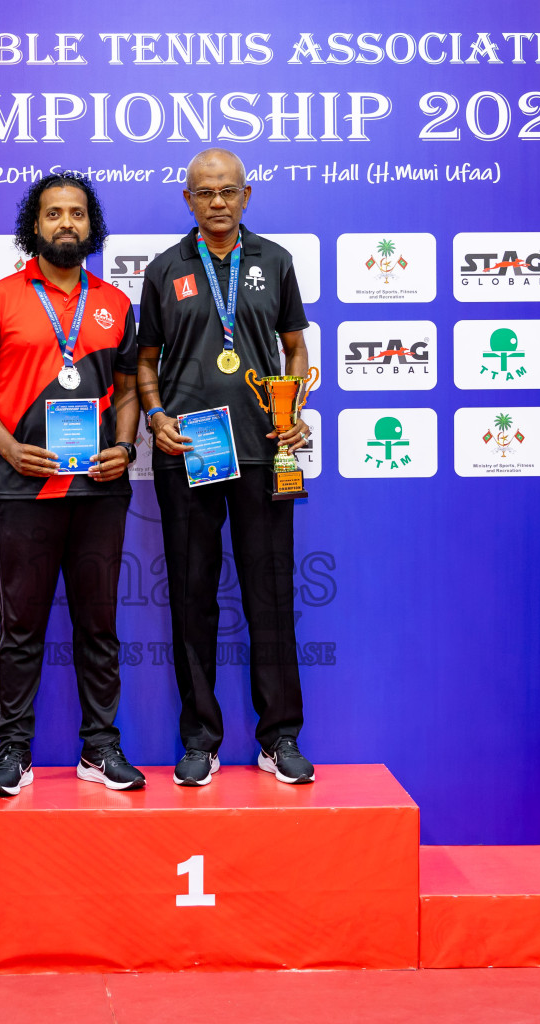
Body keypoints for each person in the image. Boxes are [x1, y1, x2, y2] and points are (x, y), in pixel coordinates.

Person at [0, 172, 145, 796]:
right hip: (23, 489)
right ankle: (13, 752)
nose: (67, 223)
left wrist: (123, 446)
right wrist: (7, 447)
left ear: (92, 226)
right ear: (33, 225)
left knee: (98, 624)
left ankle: (100, 747)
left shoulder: (115, 303)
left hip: (98, 490)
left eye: (78, 213)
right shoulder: (0, 299)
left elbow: (126, 394)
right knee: (22, 627)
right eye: (54, 213)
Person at [136, 148, 316, 787]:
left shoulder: (276, 261)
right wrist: (154, 418)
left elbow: (296, 347)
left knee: (270, 598)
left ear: (247, 195)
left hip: (265, 451)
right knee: (192, 599)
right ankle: (200, 740)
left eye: (228, 191)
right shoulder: (164, 271)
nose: (217, 202)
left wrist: (294, 404)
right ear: (188, 199)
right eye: (204, 192)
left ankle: (280, 737)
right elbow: (146, 361)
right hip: (189, 454)